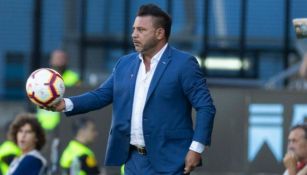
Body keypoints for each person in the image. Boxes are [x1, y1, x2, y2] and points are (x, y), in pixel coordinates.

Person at [50, 3, 216, 175]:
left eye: (141, 30)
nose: (134, 35)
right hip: (133, 161)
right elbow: (101, 95)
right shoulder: (124, 63)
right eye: (133, 29)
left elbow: (206, 107)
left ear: (160, 33)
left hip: (170, 162)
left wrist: (196, 148)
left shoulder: (184, 64)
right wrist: (65, 104)